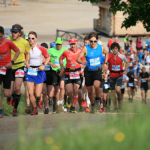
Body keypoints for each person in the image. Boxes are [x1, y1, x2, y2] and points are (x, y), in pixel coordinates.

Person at [77, 32, 108, 113]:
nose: (93, 43)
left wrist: (105, 63)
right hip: (88, 71)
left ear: (97, 41)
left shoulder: (100, 47)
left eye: (95, 41)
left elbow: (107, 53)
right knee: (90, 91)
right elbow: (78, 59)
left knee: (96, 85)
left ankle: (97, 99)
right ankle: (93, 105)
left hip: (97, 70)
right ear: (89, 41)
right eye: (91, 41)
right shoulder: (85, 48)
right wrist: (82, 62)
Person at [7, 24, 31, 116]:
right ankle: (10, 97)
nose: (13, 34)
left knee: (17, 88)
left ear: (19, 33)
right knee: (10, 91)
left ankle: (15, 109)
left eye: (15, 32)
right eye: (12, 32)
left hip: (20, 66)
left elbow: (28, 53)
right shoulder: (8, 40)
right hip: (9, 67)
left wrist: (27, 61)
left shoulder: (24, 42)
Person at [26, 31, 50, 115]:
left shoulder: (40, 48)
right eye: (29, 38)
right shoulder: (27, 48)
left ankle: (39, 99)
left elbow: (48, 57)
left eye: (32, 38)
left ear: (36, 39)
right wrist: (26, 63)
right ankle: (35, 109)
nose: (31, 40)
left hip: (38, 71)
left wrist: (44, 65)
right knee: (30, 93)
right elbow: (25, 58)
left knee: (38, 94)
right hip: (30, 71)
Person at [59, 38, 85, 113]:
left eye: (74, 44)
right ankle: (68, 98)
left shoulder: (80, 52)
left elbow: (83, 62)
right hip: (68, 73)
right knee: (70, 91)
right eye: (71, 44)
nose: (72, 46)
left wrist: (83, 71)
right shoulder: (66, 52)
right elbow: (60, 58)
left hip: (77, 73)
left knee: (76, 90)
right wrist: (62, 68)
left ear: (76, 44)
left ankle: (73, 107)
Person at [0, 26, 20, 118]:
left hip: (7, 70)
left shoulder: (8, 42)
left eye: (0, 36)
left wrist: (11, 62)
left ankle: (10, 96)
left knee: (6, 93)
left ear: (2, 35)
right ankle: (0, 110)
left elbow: (17, 51)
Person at [47, 37, 68, 113]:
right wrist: (52, 64)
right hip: (54, 71)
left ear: (62, 44)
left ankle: (61, 104)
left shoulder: (65, 49)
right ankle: (58, 105)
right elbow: (44, 60)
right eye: (57, 44)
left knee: (62, 87)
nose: (58, 45)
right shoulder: (51, 50)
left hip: (62, 70)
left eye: (59, 44)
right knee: (56, 89)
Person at [107, 42, 128, 110]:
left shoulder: (122, 56)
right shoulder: (109, 56)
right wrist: (105, 71)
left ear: (118, 49)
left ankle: (119, 99)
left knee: (118, 90)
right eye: (113, 49)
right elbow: (105, 64)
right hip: (112, 75)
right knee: (112, 92)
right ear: (111, 50)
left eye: (116, 48)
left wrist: (126, 70)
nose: (114, 50)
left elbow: (127, 62)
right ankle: (115, 106)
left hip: (119, 75)